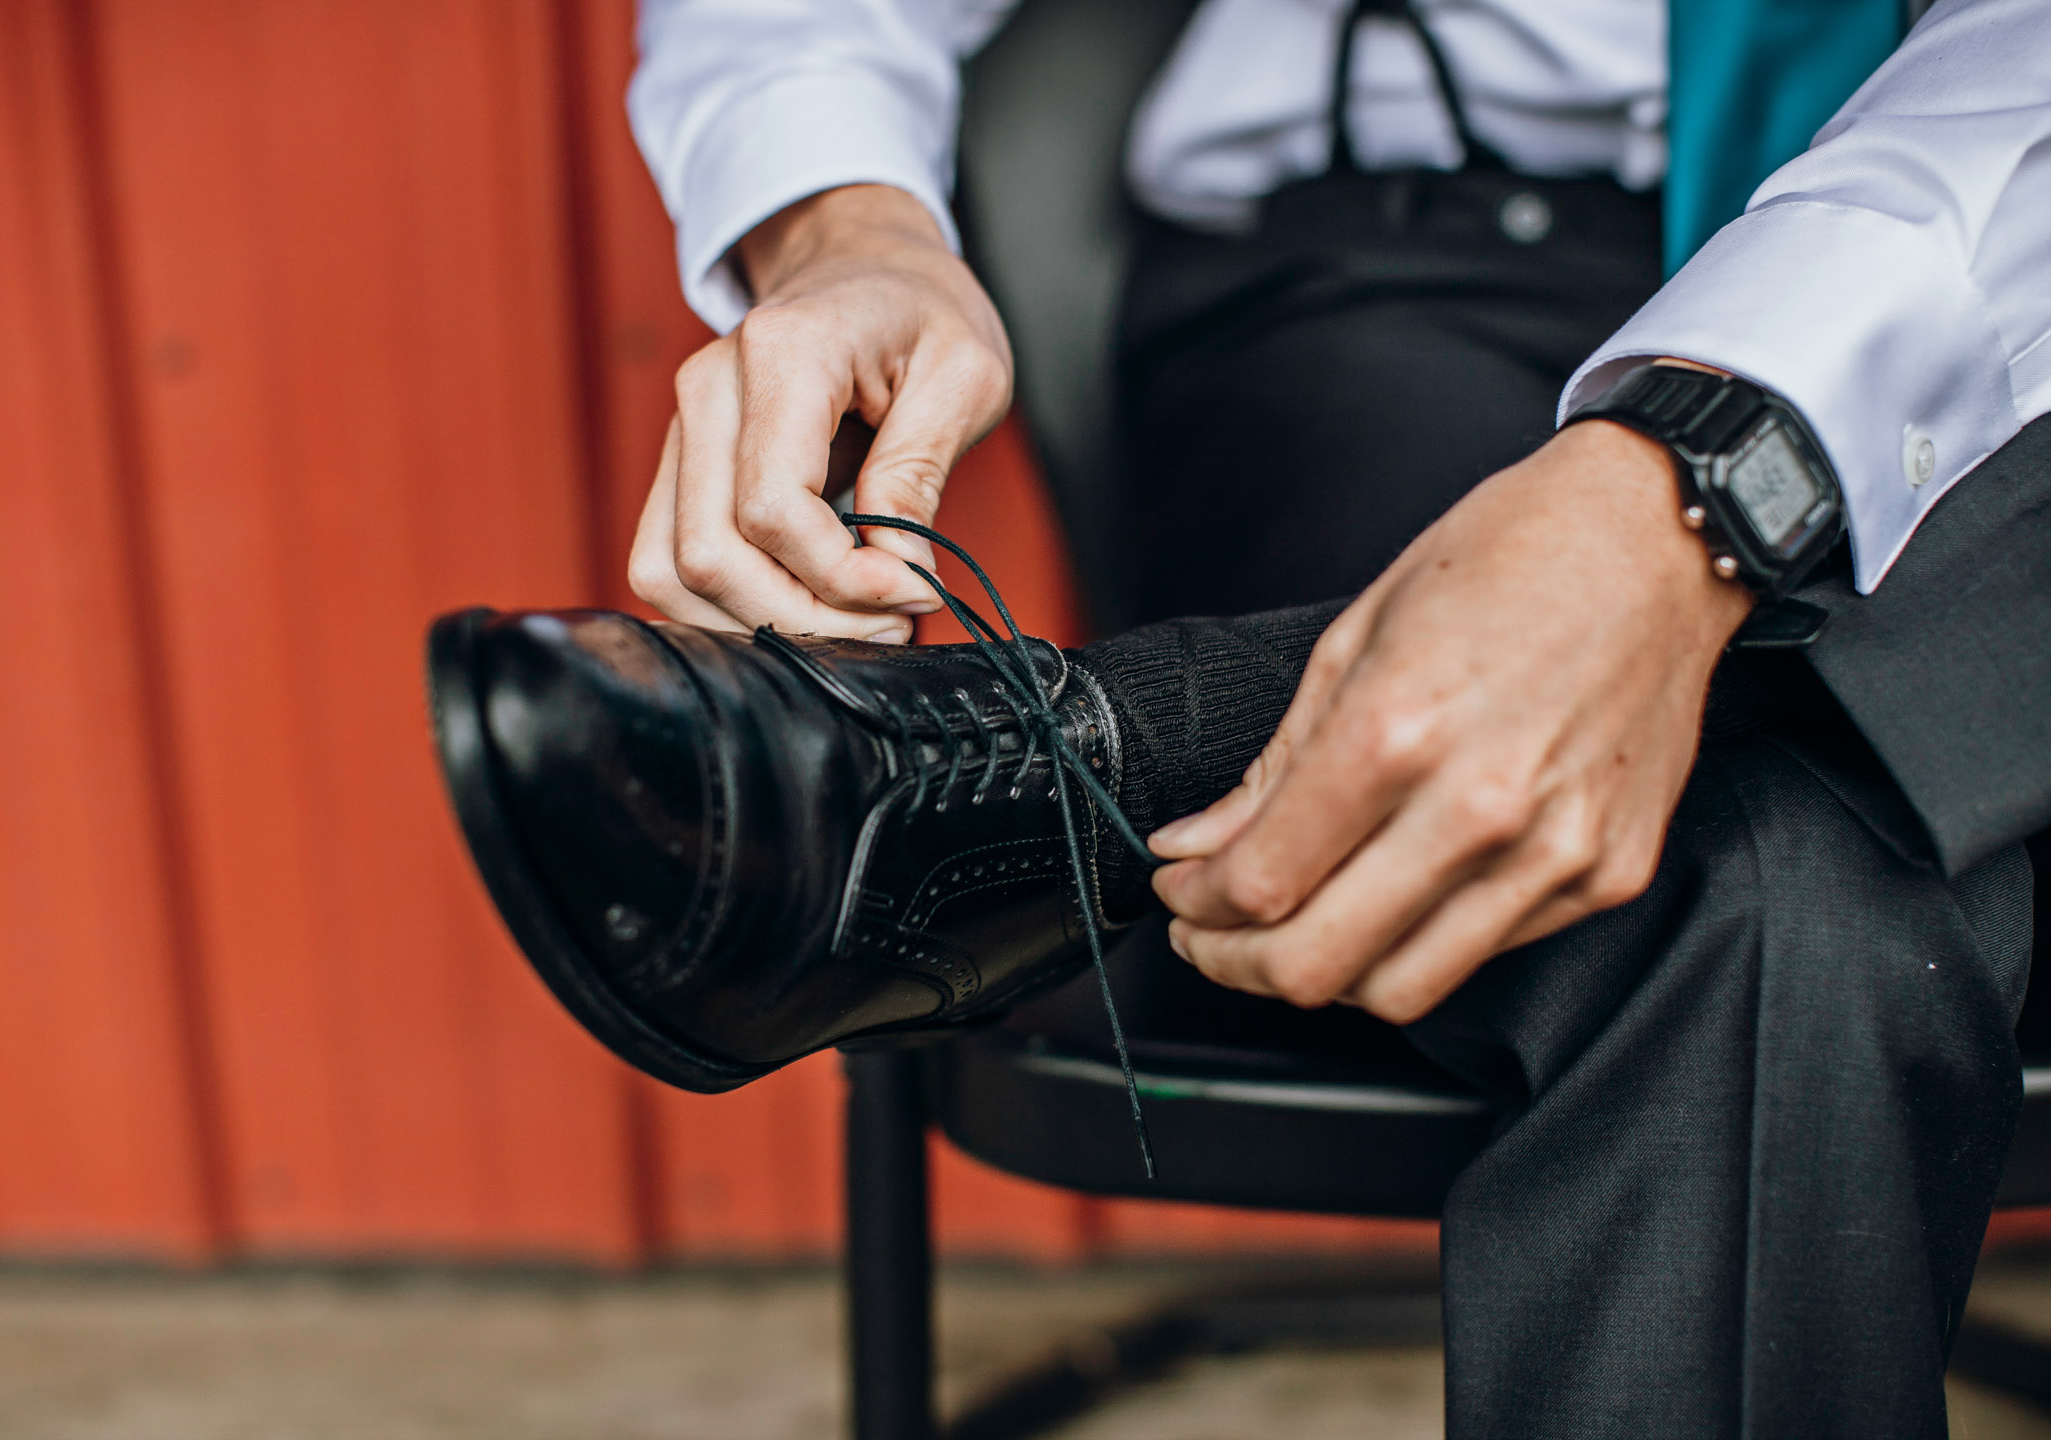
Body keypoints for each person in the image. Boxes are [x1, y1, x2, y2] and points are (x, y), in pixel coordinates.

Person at [443, 1, 2051, 1433]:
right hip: (1422, 265)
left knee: (1780, 850)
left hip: (2006, 313)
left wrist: (1688, 490)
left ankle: (1056, 767)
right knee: (1787, 883)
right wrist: (848, 231)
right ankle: (1087, 758)